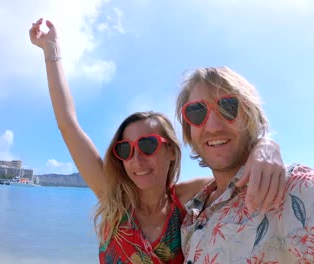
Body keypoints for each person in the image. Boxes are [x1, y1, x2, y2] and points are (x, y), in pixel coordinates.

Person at [29, 19, 287, 263]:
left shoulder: (189, 199)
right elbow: (67, 123)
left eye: (148, 145)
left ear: (171, 151)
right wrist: (51, 51)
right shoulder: (115, 200)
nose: (136, 159)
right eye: (125, 150)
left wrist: (265, 145)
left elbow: (232, 166)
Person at [176, 66, 314, 263]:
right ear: (189, 131)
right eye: (197, 112)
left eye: (228, 107)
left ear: (250, 116)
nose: (213, 126)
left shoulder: (293, 187)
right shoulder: (195, 210)